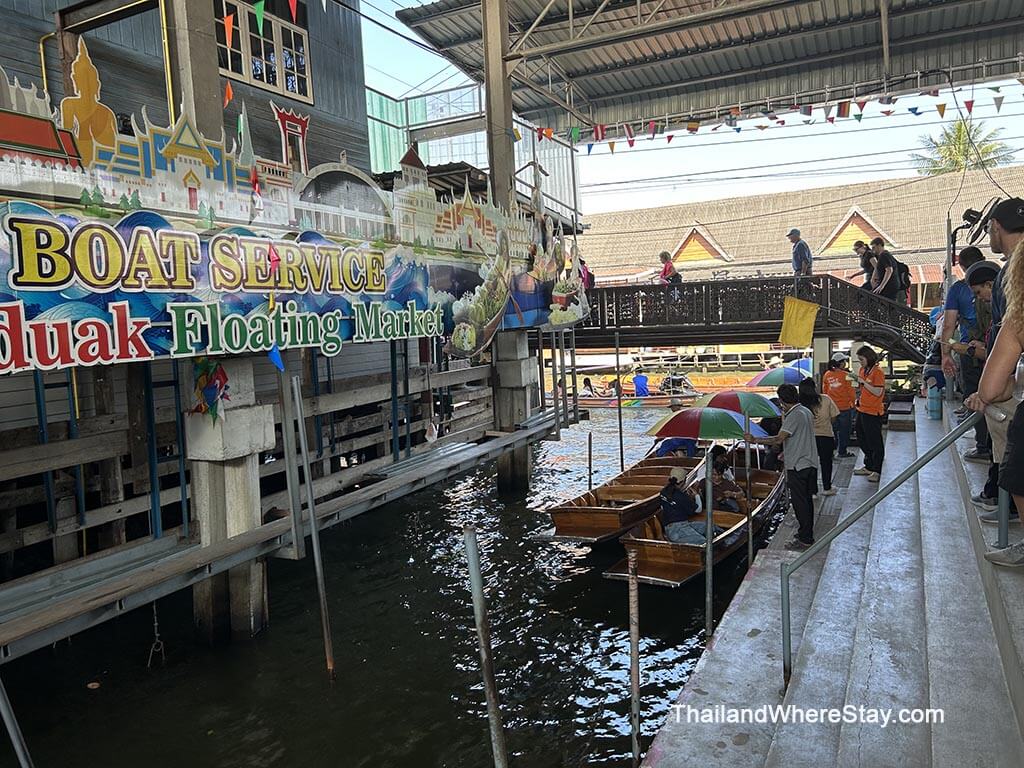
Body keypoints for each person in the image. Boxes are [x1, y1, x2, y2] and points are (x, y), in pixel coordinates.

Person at [968, 200, 1024, 566]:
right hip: (1014, 380)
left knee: (1016, 468)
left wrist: (991, 391)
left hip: (1010, 385)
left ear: (996, 228)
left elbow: (993, 385)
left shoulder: (1014, 277)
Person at [746, 384, 819, 550]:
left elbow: (779, 439)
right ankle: (804, 532)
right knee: (806, 500)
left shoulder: (794, 415)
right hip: (809, 462)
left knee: (800, 503)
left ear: (782, 400)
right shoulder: (806, 411)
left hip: (798, 465)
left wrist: (754, 440)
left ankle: (805, 538)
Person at [941, 246, 990, 461]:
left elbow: (949, 325)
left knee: (976, 395)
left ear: (962, 267)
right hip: (998, 347)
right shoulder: (999, 282)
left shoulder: (959, 289)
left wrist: (946, 353)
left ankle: (982, 446)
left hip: (969, 350)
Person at [800, 377, 840, 496]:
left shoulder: (800, 404)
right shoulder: (826, 399)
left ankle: (813, 491)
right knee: (826, 462)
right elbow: (834, 417)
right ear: (814, 387)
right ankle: (827, 488)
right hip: (826, 435)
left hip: (808, 438)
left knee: (811, 464)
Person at [853, 345, 886, 482]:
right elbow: (863, 388)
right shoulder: (863, 370)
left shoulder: (877, 372)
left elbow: (878, 392)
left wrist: (863, 382)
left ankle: (877, 469)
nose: (860, 362)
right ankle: (869, 465)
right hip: (862, 409)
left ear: (869, 357)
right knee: (861, 438)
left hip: (873, 411)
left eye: (862, 359)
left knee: (875, 441)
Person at [660, 468, 714, 544]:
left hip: (670, 528)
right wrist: (696, 495)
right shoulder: (681, 496)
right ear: (684, 481)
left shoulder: (663, 491)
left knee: (709, 527)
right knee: (704, 542)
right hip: (679, 529)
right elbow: (698, 510)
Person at [822, 352, 856, 458]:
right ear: (841, 364)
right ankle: (842, 452)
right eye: (844, 361)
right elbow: (851, 392)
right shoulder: (846, 375)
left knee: (831, 431)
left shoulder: (827, 374)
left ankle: (830, 452)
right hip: (845, 408)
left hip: (831, 409)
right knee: (844, 431)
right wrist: (854, 403)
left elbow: (825, 391)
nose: (845, 363)